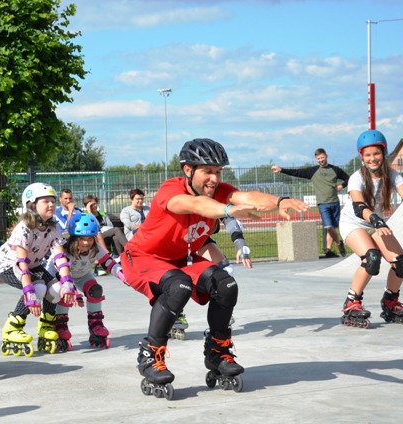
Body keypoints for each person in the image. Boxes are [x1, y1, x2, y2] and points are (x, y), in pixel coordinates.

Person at [120, 138, 309, 396]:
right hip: (142, 257)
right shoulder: (170, 190)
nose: (214, 178)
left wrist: (279, 202)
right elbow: (197, 205)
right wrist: (229, 210)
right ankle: (150, 354)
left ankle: (218, 352)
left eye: (218, 172)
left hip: (180, 260)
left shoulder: (220, 192)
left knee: (226, 284)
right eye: (207, 171)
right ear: (188, 170)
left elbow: (248, 196)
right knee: (179, 285)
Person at [338, 129, 403, 328]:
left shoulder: (392, 175)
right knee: (371, 258)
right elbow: (359, 206)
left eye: (376, 154)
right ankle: (352, 303)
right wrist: (376, 220)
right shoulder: (356, 178)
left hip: (375, 223)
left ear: (383, 153)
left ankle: (390, 302)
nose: (372, 159)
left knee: (401, 263)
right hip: (354, 223)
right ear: (362, 156)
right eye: (367, 155)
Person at [0, 183, 83, 355]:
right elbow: (22, 264)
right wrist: (30, 295)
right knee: (38, 288)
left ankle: (46, 325)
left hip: (33, 265)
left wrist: (67, 284)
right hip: (8, 265)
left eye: (52, 201)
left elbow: (60, 258)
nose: (51, 205)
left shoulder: (53, 226)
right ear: (32, 205)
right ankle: (12, 327)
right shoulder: (24, 228)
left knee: (56, 289)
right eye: (45, 202)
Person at [47, 213, 127, 349]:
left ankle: (95, 324)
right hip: (59, 277)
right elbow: (62, 275)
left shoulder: (94, 247)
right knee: (66, 294)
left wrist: (123, 275)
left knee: (95, 290)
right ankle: (60, 325)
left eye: (90, 238)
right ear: (73, 238)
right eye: (82, 239)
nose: (86, 243)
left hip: (82, 275)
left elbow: (108, 262)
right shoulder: (64, 249)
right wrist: (72, 291)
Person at [171, 216, 252, 339]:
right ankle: (175, 314)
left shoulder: (214, 199)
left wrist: (241, 245)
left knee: (224, 271)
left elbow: (228, 218)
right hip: (175, 241)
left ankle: (222, 310)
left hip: (199, 239)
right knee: (178, 280)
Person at [271, 148, 350, 258]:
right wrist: (281, 169)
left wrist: (341, 185)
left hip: (335, 202)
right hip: (323, 204)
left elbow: (348, 178)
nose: (321, 160)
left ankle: (328, 250)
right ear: (316, 159)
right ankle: (339, 243)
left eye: (322, 157)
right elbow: (297, 172)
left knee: (332, 227)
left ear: (326, 156)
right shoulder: (313, 171)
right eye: (318, 159)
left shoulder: (335, 170)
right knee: (328, 226)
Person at [83, 194, 127, 258]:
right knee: (116, 229)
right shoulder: (86, 215)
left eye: (94, 204)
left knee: (115, 237)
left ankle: (120, 257)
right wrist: (90, 212)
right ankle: (130, 248)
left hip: (106, 235)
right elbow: (95, 226)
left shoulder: (102, 214)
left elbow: (110, 226)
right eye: (91, 205)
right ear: (87, 206)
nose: (93, 206)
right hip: (96, 237)